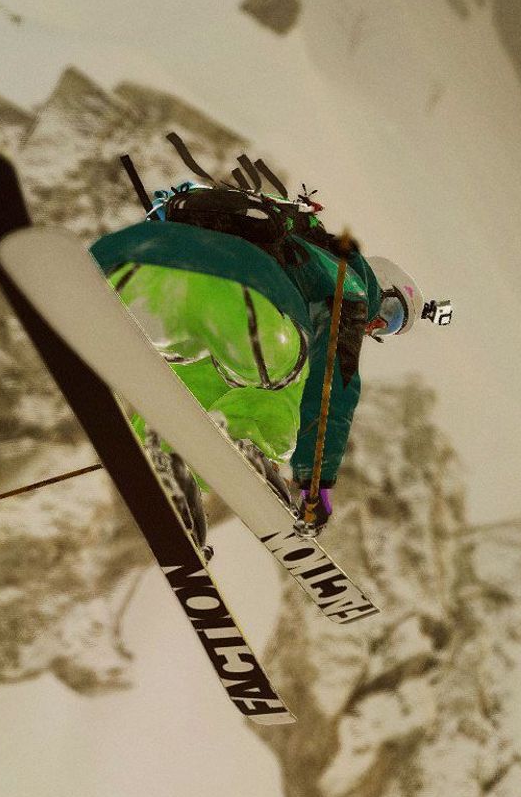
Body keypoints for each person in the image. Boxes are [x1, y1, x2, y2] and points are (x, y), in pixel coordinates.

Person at [87, 166, 441, 543]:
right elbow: (333, 385)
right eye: (390, 313)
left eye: (389, 326)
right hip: (237, 292)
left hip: (129, 269)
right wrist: (314, 486)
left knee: (203, 376)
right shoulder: (349, 281)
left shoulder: (292, 243)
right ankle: (250, 443)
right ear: (378, 284)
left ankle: (166, 457)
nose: (376, 326)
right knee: (295, 376)